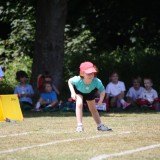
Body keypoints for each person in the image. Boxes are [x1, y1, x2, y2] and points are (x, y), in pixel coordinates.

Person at [68, 61, 112, 132]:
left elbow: (102, 90)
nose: (91, 75)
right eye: (88, 73)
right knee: (79, 103)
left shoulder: (96, 81)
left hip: (90, 93)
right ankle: (79, 126)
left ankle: (100, 126)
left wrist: (101, 100)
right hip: (79, 92)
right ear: (82, 73)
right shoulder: (77, 80)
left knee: (93, 109)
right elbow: (70, 81)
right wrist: (72, 93)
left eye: (92, 73)